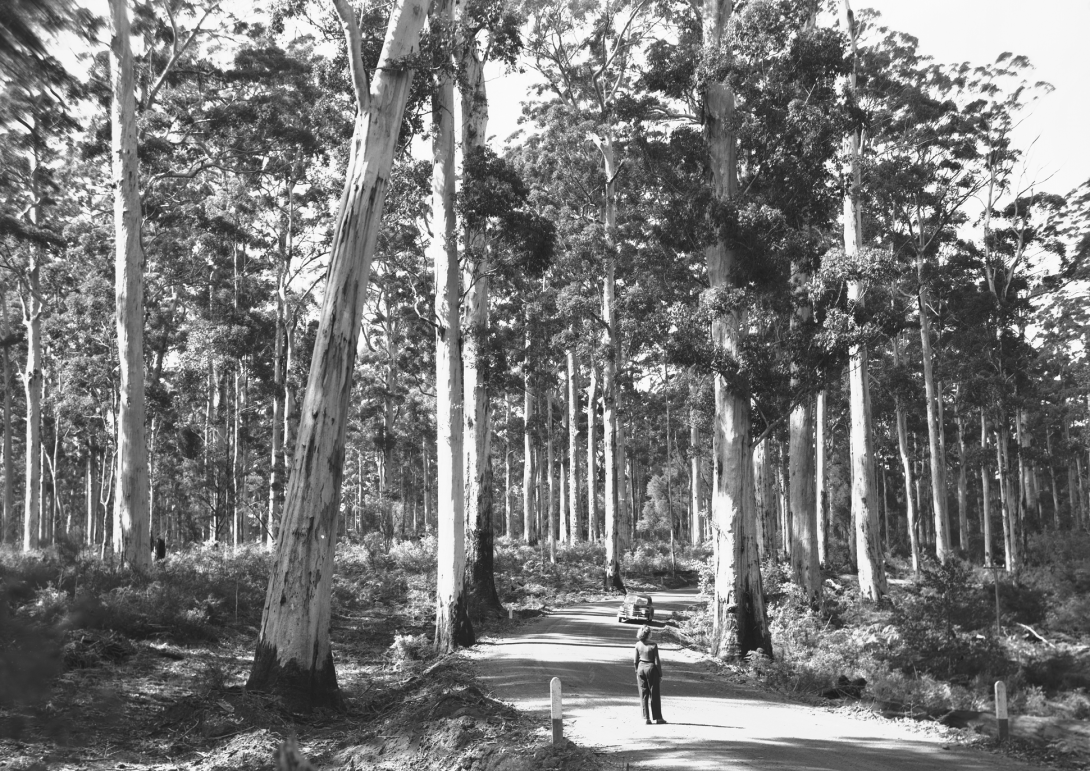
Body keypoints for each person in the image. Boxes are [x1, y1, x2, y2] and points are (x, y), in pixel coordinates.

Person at [633, 625, 666, 725]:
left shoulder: (638, 644)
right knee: (654, 693)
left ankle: (646, 718)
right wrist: (660, 674)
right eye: (651, 632)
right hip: (651, 669)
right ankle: (658, 718)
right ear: (648, 634)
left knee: (643, 694)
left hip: (641, 668)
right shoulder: (653, 645)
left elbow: (635, 661)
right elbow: (656, 662)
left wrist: (636, 671)